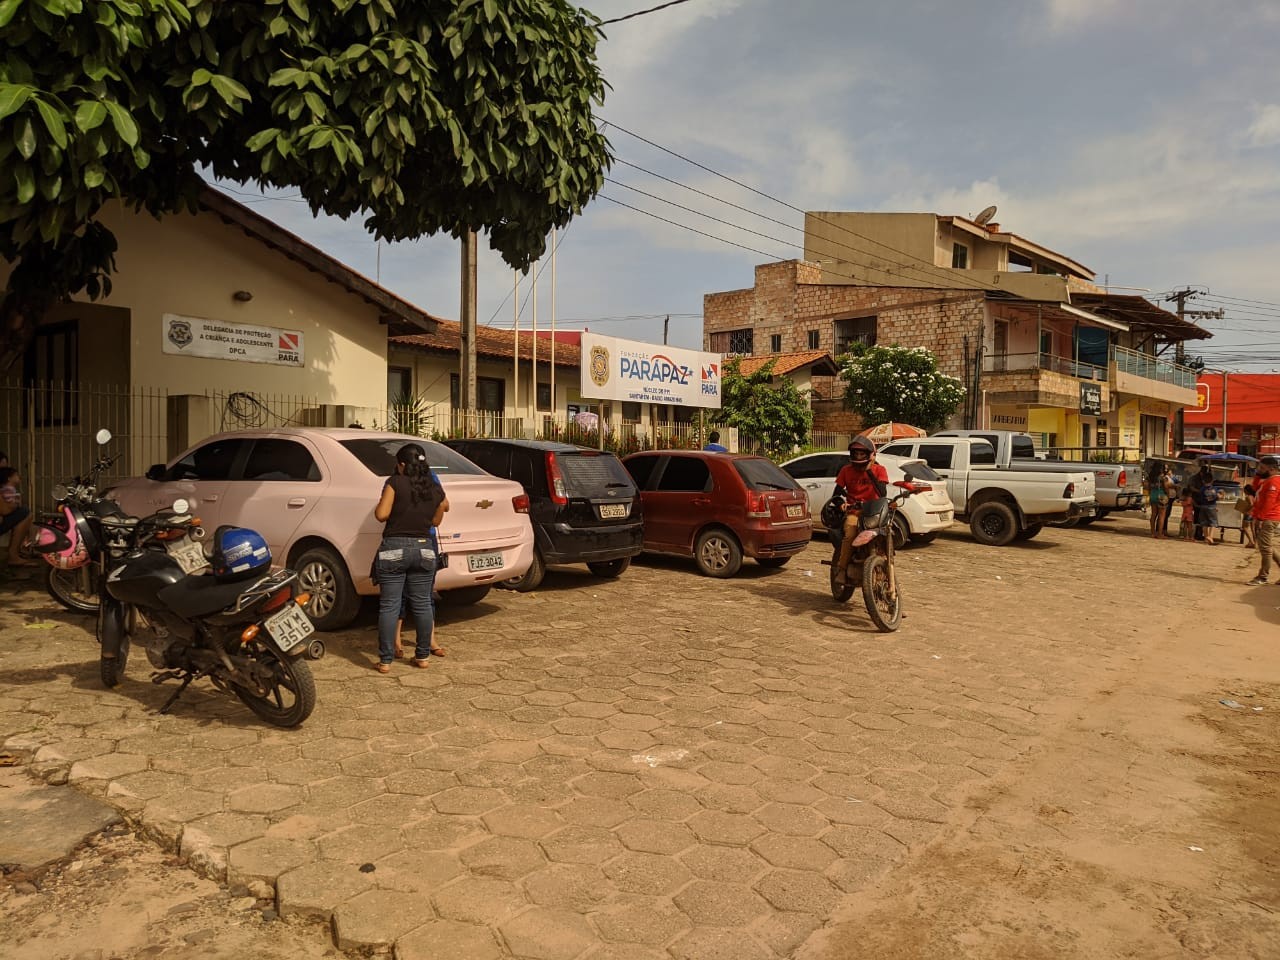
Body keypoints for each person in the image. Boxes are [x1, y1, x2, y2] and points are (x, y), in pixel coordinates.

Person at [372, 443, 449, 673]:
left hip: (394, 548)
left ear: (403, 465)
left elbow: (381, 514)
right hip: (425, 548)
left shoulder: (395, 482)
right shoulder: (434, 489)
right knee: (423, 603)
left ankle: (385, 661)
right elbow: (437, 519)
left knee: (389, 606)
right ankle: (423, 656)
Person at [832, 436, 889, 586]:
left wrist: (869, 471)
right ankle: (842, 569)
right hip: (854, 512)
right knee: (850, 534)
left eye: (862, 453)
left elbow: (882, 493)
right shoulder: (846, 470)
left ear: (871, 454)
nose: (858, 456)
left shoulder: (879, 470)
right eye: (855, 453)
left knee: (888, 534)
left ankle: (887, 565)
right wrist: (841, 504)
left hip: (874, 513)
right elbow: (836, 494)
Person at [1247, 455, 1280, 584]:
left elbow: (1269, 502)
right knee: (1268, 546)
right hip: (1264, 517)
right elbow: (1255, 488)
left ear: (1271, 469)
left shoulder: (1274, 482)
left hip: (1268, 518)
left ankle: (1263, 576)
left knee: (1265, 549)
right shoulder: (1268, 480)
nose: (1259, 469)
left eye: (1262, 467)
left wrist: (1261, 518)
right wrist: (1258, 475)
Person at [0, 466, 34, 568]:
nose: (19, 477)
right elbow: (6, 510)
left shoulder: (8, 489)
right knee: (25, 512)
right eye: (16, 475)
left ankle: (15, 553)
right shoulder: (7, 489)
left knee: (24, 512)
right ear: (9, 478)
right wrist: (16, 503)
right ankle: (13, 555)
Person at [1189, 462, 1219, 545]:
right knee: (1213, 523)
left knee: (1204, 523)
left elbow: (1201, 496)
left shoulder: (1202, 489)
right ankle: (1210, 536)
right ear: (1212, 480)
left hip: (1202, 506)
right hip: (1211, 507)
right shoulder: (1214, 489)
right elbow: (1216, 497)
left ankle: (1206, 538)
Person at [1147, 463, 1170, 539]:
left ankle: (1152, 532)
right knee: (1161, 516)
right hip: (1161, 496)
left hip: (1153, 494)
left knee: (1153, 514)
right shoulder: (1163, 477)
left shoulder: (1151, 477)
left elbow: (1148, 487)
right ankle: (1159, 534)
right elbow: (1166, 487)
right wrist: (1168, 495)